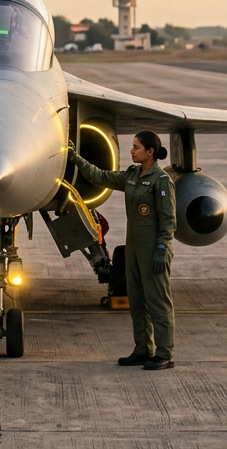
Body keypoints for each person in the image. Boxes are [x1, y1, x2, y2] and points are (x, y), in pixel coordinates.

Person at [71, 131, 177, 371]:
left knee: (158, 302)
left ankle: (164, 353)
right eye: (132, 146)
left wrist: (162, 248)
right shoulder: (131, 176)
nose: (132, 151)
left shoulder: (161, 181)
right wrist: (76, 158)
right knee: (137, 302)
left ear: (150, 152)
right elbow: (100, 176)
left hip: (153, 251)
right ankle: (143, 349)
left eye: (137, 147)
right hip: (134, 250)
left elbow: (168, 220)